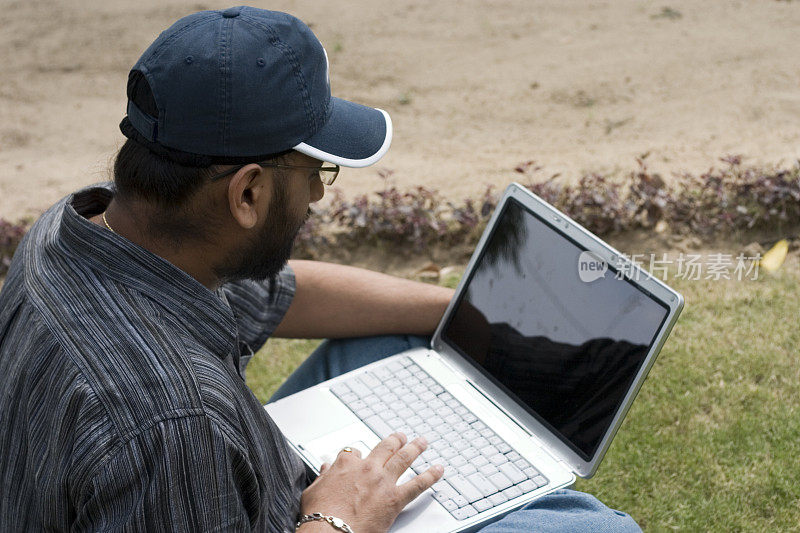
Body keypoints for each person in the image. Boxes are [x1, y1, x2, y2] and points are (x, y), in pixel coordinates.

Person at [0, 7, 641, 532]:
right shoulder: (174, 426)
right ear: (247, 194)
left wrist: (470, 311)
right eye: (314, 175)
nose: (319, 197)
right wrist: (339, 518)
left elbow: (289, 293)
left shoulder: (86, 228)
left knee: (411, 341)